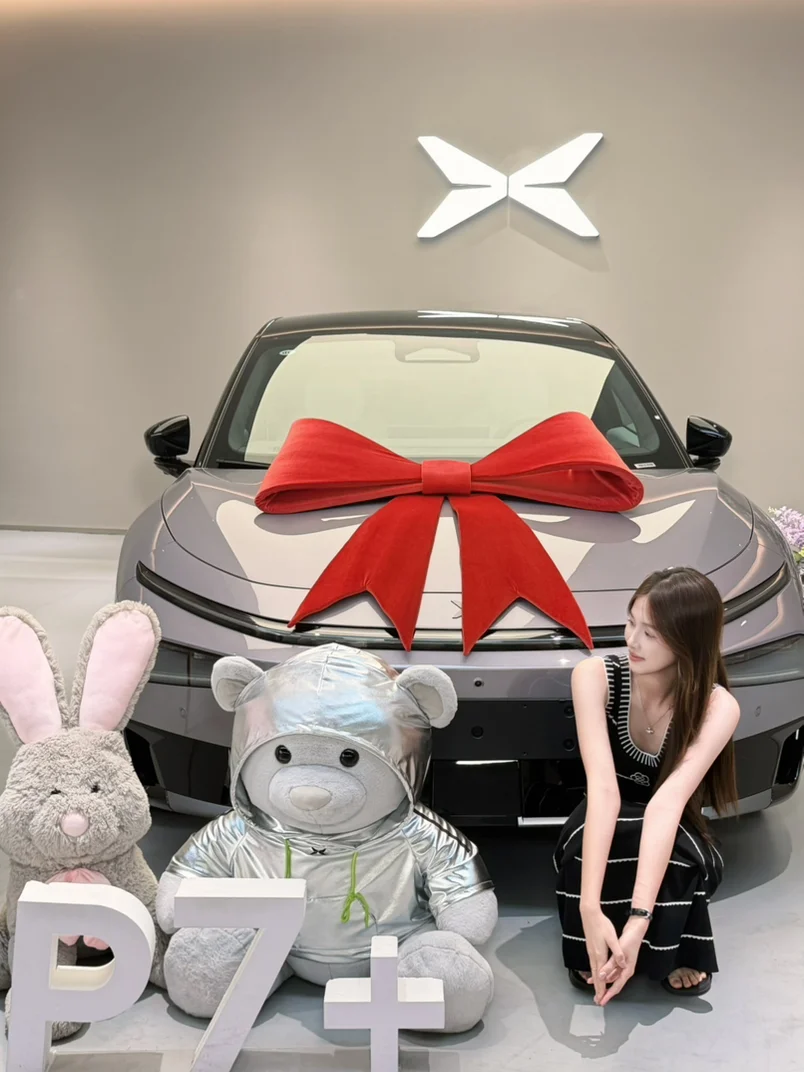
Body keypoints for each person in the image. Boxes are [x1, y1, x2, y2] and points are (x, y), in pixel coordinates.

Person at [554, 566, 740, 1006]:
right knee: (585, 854)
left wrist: (638, 920)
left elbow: (666, 805)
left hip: (672, 821)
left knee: (679, 861)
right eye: (630, 622)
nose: (632, 641)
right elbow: (603, 790)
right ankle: (601, 933)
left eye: (651, 634)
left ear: (688, 639)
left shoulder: (717, 706)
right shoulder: (594, 676)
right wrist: (588, 906)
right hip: (605, 810)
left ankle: (655, 944)